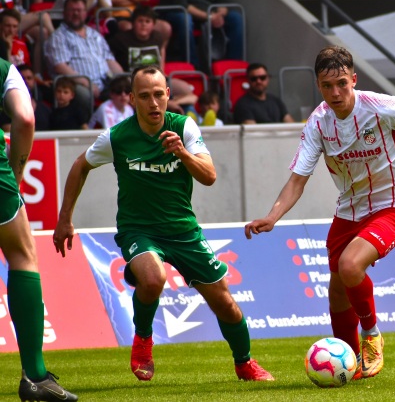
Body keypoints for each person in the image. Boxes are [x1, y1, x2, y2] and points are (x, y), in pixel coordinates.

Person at [245, 46, 395, 380]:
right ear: (318, 86)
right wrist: (272, 216)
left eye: (342, 83)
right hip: (349, 211)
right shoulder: (318, 124)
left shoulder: (380, 107)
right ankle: (347, 364)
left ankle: (372, 336)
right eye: (327, 86)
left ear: (354, 79)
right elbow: (297, 180)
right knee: (337, 289)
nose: (335, 92)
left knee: (350, 266)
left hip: (393, 206)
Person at [53, 65, 274, 383]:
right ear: (132, 99)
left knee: (226, 304)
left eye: (159, 94)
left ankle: (245, 364)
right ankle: (143, 340)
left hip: (182, 230)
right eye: (144, 96)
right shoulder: (117, 137)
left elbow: (209, 176)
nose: (153, 102)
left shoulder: (184, 127)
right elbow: (79, 165)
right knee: (153, 278)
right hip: (138, 230)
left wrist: (182, 153)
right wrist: (64, 220)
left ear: (168, 94)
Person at [0, 58, 78, 400]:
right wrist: (15, 176)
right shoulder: (3, 68)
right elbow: (26, 118)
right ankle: (35, 376)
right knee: (22, 256)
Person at [108, 4, 196, 112]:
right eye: (140, 21)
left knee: (187, 90)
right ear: (133, 23)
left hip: (156, 79)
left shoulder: (158, 37)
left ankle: (177, 109)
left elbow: (162, 52)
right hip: (133, 82)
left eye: (147, 21)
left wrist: (162, 72)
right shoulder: (120, 39)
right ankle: (168, 105)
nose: (144, 24)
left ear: (153, 24)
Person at [45, 0, 123, 113]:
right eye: (72, 10)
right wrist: (87, 83)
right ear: (65, 13)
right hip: (76, 84)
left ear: (86, 13)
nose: (76, 14)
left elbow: (109, 60)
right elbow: (60, 66)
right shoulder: (58, 36)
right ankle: (87, 128)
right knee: (84, 95)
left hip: (104, 81)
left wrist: (123, 79)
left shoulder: (95, 34)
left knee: (127, 89)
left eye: (80, 10)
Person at [0, 63, 50, 132]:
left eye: (29, 78)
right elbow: (8, 132)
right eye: (22, 78)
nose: (26, 81)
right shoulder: (7, 108)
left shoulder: (45, 109)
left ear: (34, 81)